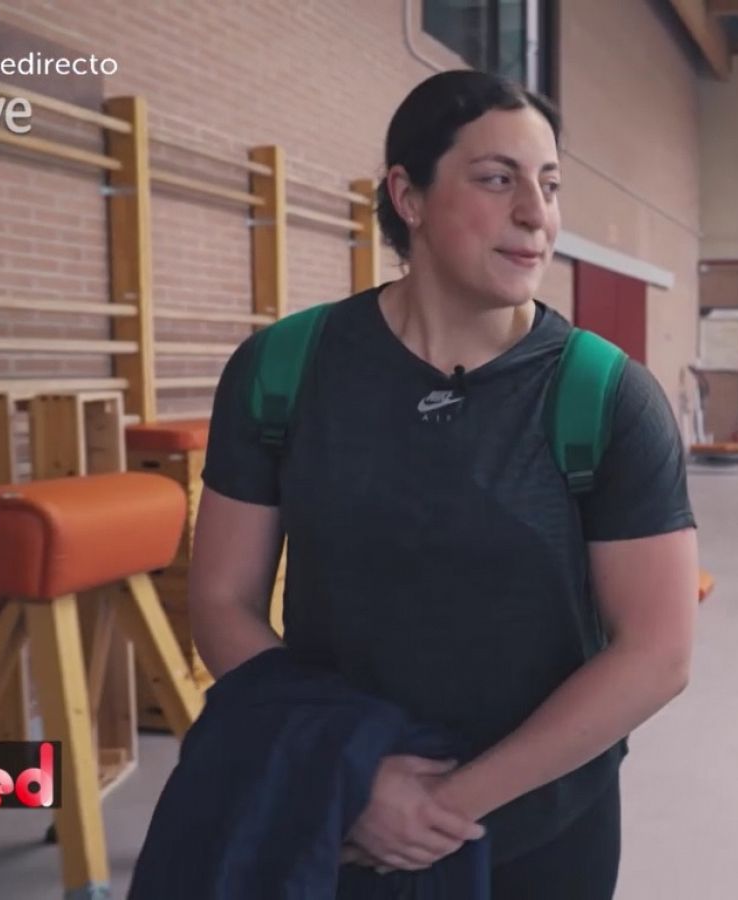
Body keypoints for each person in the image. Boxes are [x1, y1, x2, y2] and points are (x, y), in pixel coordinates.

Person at [188, 69, 699, 898]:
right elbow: (221, 599)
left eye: (549, 185)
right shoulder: (283, 370)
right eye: (498, 180)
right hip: (337, 823)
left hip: (540, 840)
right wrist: (355, 775)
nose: (536, 214)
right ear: (409, 195)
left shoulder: (606, 396)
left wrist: (441, 809)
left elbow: (658, 653)